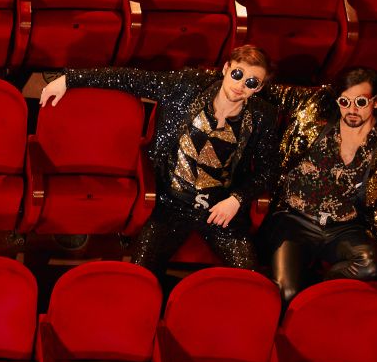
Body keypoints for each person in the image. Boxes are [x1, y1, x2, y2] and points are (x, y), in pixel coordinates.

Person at [39, 45, 279, 280]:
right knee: (140, 277)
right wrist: (70, 79)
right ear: (226, 68)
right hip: (172, 202)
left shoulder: (261, 116)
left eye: (251, 82)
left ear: (258, 87)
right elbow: (130, 78)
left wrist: (237, 200)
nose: (240, 85)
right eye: (238, 74)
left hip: (220, 209)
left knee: (251, 281)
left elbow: (268, 170)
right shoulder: (185, 87)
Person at [257, 66, 377, 302]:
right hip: (294, 218)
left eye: (361, 102)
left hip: (345, 225)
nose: (352, 110)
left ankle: (319, 294)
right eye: (345, 101)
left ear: (376, 102)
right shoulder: (314, 108)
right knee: (287, 292)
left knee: (369, 266)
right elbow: (265, 90)